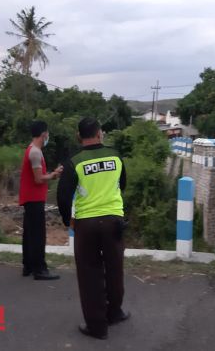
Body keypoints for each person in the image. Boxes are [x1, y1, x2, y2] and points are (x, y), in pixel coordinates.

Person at [57, 117, 129, 340]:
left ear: (79, 136)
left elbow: (63, 195)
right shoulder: (115, 156)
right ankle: (114, 312)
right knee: (115, 268)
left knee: (89, 274)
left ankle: (97, 327)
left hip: (86, 224)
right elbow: (122, 184)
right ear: (99, 133)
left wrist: (66, 219)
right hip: (113, 221)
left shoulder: (74, 161)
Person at [19, 120, 63, 280]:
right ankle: (40, 269)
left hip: (30, 197)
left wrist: (51, 173)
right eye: (47, 133)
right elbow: (38, 179)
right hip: (34, 198)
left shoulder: (32, 150)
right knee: (38, 235)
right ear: (44, 134)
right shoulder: (35, 152)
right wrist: (53, 175)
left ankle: (28, 266)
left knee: (29, 234)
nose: (48, 136)